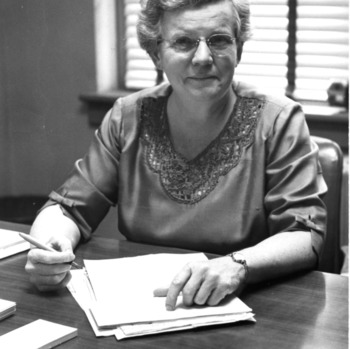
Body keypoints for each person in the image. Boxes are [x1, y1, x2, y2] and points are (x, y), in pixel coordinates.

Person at [25, 0, 327, 311]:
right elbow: (68, 209)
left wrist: (236, 265)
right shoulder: (126, 118)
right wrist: (50, 247)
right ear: (156, 53)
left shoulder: (279, 120)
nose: (203, 58)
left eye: (219, 40)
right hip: (140, 307)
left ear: (239, 48)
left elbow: (304, 234)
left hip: (251, 307)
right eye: (183, 42)